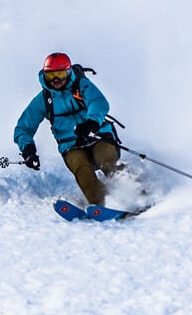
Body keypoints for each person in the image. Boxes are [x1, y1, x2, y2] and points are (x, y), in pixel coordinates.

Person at [14, 52, 122, 206]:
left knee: (107, 161)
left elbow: (99, 102)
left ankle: (136, 192)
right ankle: (101, 203)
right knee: (82, 170)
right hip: (71, 145)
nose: (56, 80)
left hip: (97, 136)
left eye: (60, 74)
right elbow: (23, 127)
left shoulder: (82, 85)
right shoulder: (44, 99)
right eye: (51, 76)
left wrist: (90, 123)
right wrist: (28, 149)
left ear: (69, 72)